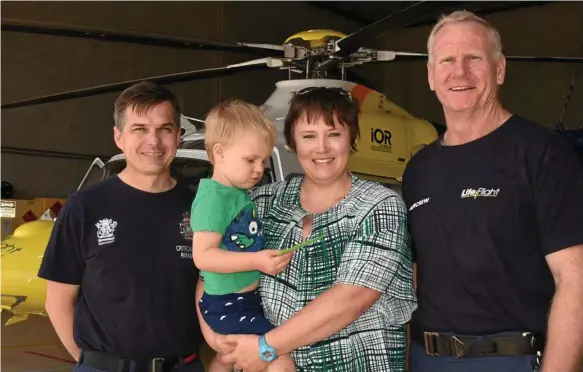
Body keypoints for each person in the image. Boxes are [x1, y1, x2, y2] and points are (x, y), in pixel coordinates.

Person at [402, 10, 583, 372]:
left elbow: (575, 277)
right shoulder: (418, 170)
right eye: (447, 60)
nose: (460, 72)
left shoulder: (543, 153)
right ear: (430, 76)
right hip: (428, 359)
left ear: (500, 69)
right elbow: (418, 279)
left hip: (511, 359)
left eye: (474, 58)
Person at [199, 86, 417, 372]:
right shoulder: (263, 201)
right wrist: (216, 337)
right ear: (293, 143)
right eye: (309, 136)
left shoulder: (379, 205)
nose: (322, 148)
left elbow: (350, 300)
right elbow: (211, 271)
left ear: (352, 138)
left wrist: (265, 348)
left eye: (334, 134)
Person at [38, 81, 206, 372]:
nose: (153, 141)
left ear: (178, 136)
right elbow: (57, 302)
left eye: (164, 129)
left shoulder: (200, 208)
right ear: (118, 137)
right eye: (139, 129)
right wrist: (93, 362)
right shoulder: (84, 207)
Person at [190, 99, 296, 372]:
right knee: (279, 358)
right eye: (250, 160)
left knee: (229, 357)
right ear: (220, 152)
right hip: (229, 303)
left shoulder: (236, 194)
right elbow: (203, 257)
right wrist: (257, 261)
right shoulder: (213, 198)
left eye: (263, 160)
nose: (259, 169)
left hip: (240, 300)